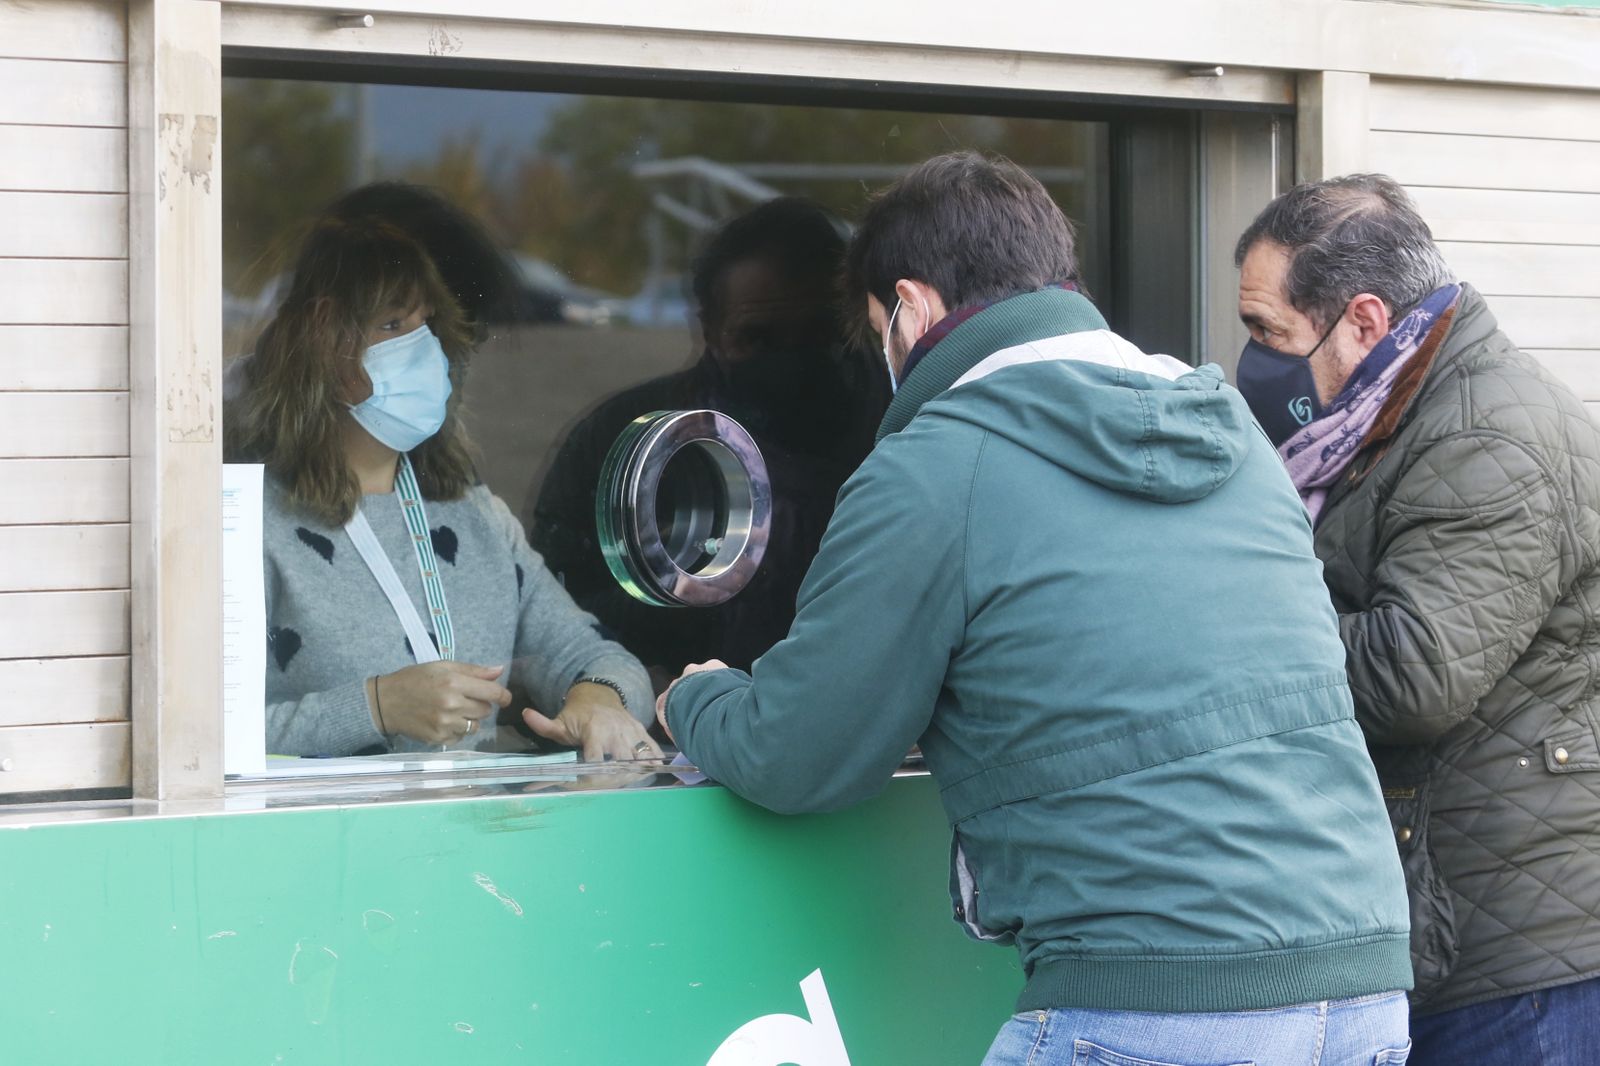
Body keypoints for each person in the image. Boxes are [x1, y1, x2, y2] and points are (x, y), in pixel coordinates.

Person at [657, 152, 1413, 1064]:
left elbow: (799, 752)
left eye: (877, 329)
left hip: (1152, 1003)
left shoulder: (935, 465)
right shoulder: (1231, 432)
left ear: (913, 307)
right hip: (1362, 993)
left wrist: (694, 699)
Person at [1234, 173, 1600, 1064]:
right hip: (1452, 921)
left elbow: (1412, 676)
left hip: (1516, 954)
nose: (1251, 362)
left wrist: (1229, 621)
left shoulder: (1489, 435)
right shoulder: (1391, 421)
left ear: (1363, 321)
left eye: (1267, 332)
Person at [226, 214, 658, 761]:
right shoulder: (252, 522)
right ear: (322, 340)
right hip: (322, 841)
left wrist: (601, 700)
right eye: (392, 325)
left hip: (472, 839)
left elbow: (589, 652)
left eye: (426, 323)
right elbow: (203, 739)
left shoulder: (475, 514)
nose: (422, 347)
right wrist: (376, 706)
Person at [528, 197, 887, 680]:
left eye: (819, 333)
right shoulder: (629, 443)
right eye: (758, 338)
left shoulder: (901, 431)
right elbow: (554, 618)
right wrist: (691, 591)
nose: (792, 362)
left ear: (855, 319)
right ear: (710, 330)